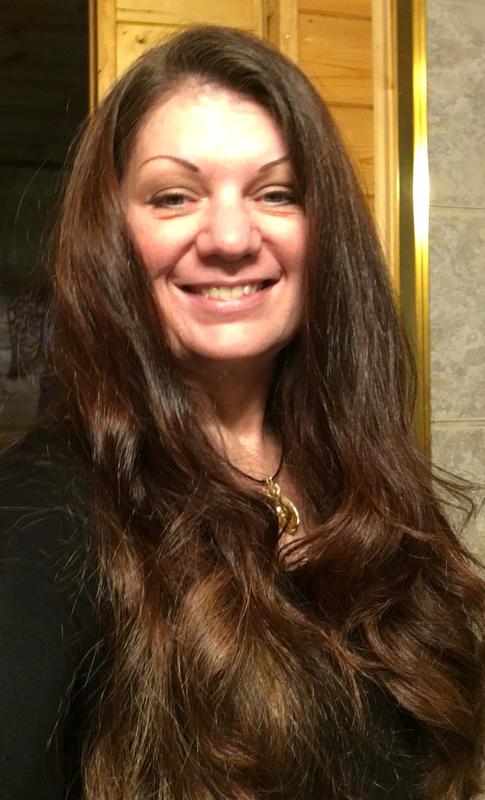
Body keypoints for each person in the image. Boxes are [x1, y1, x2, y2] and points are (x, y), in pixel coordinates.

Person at [0, 24, 483, 800]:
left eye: (275, 193)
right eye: (173, 197)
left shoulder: (359, 468)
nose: (229, 238)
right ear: (111, 236)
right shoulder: (50, 505)